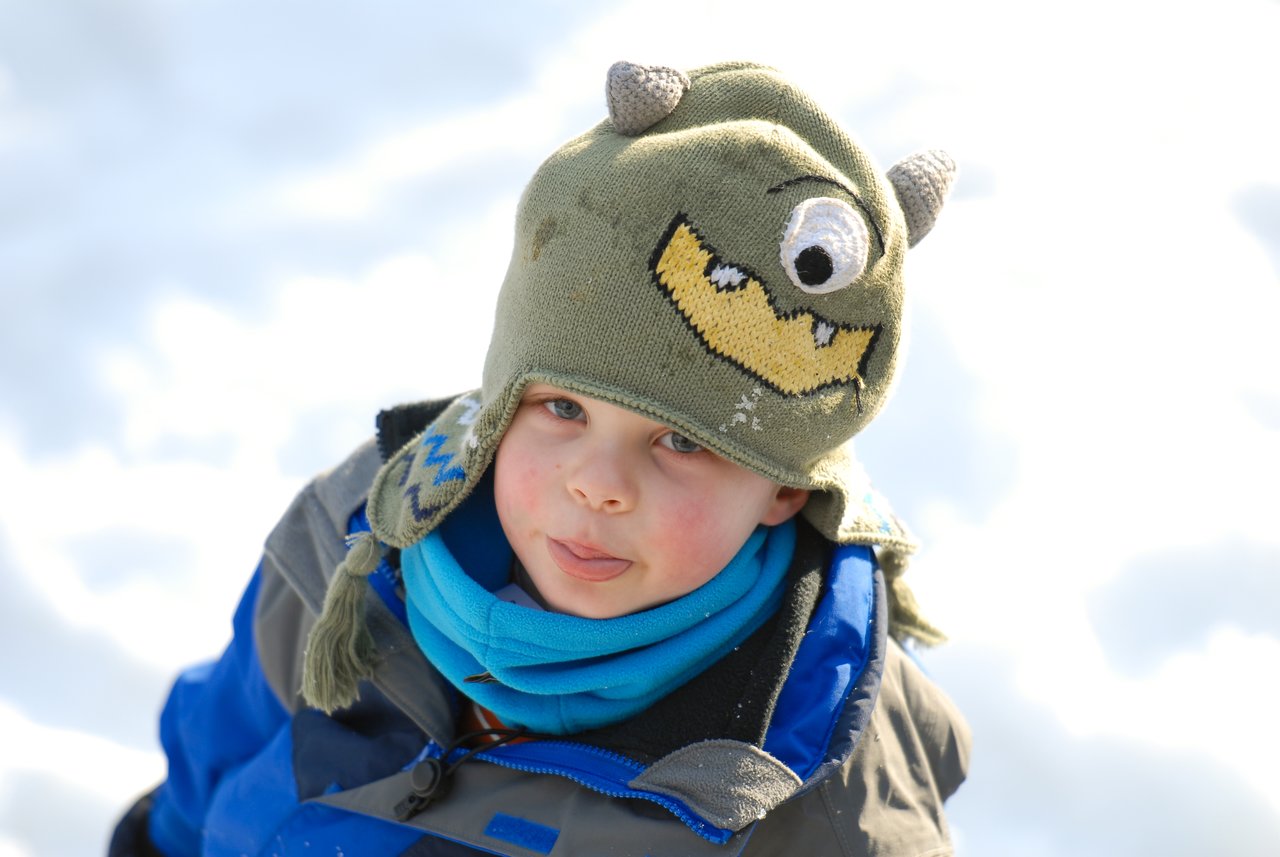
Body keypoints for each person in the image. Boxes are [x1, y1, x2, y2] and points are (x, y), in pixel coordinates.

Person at [110, 60, 971, 857]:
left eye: (681, 442)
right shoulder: (353, 544)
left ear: (786, 486)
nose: (596, 484)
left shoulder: (822, 781)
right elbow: (212, 754)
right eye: (562, 408)